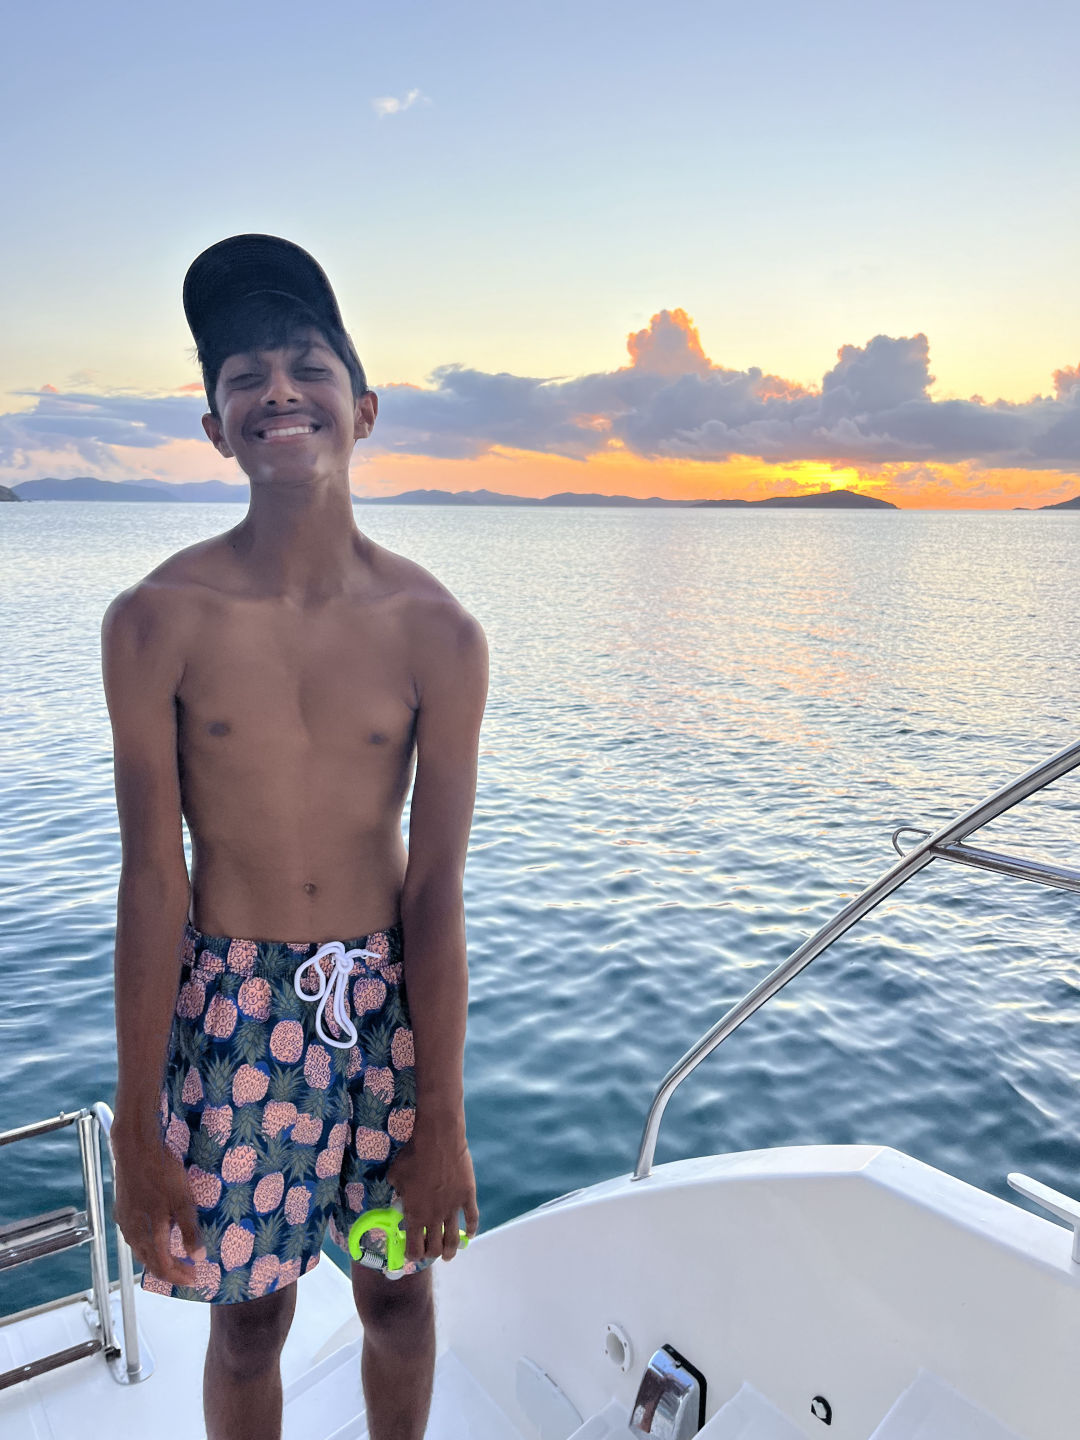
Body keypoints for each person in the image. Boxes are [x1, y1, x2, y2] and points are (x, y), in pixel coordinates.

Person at [100, 234, 488, 1440]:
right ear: (216, 428)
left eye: (308, 366)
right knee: (248, 1322)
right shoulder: (155, 621)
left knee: (399, 1296)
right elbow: (152, 879)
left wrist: (443, 1113)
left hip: (383, 1009)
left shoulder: (440, 633)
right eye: (244, 375)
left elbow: (436, 892)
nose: (278, 390)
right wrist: (138, 1124)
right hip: (229, 1010)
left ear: (362, 409)